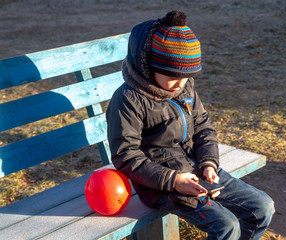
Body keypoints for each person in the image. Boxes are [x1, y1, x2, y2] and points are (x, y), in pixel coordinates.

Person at [106, 10, 275, 240]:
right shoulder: (128, 99)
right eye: (172, 76)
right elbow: (125, 156)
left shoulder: (184, 86)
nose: (180, 84)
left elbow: (204, 126)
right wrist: (174, 180)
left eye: (186, 76)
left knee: (262, 207)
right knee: (226, 226)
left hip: (196, 169)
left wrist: (209, 163)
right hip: (160, 184)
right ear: (148, 66)